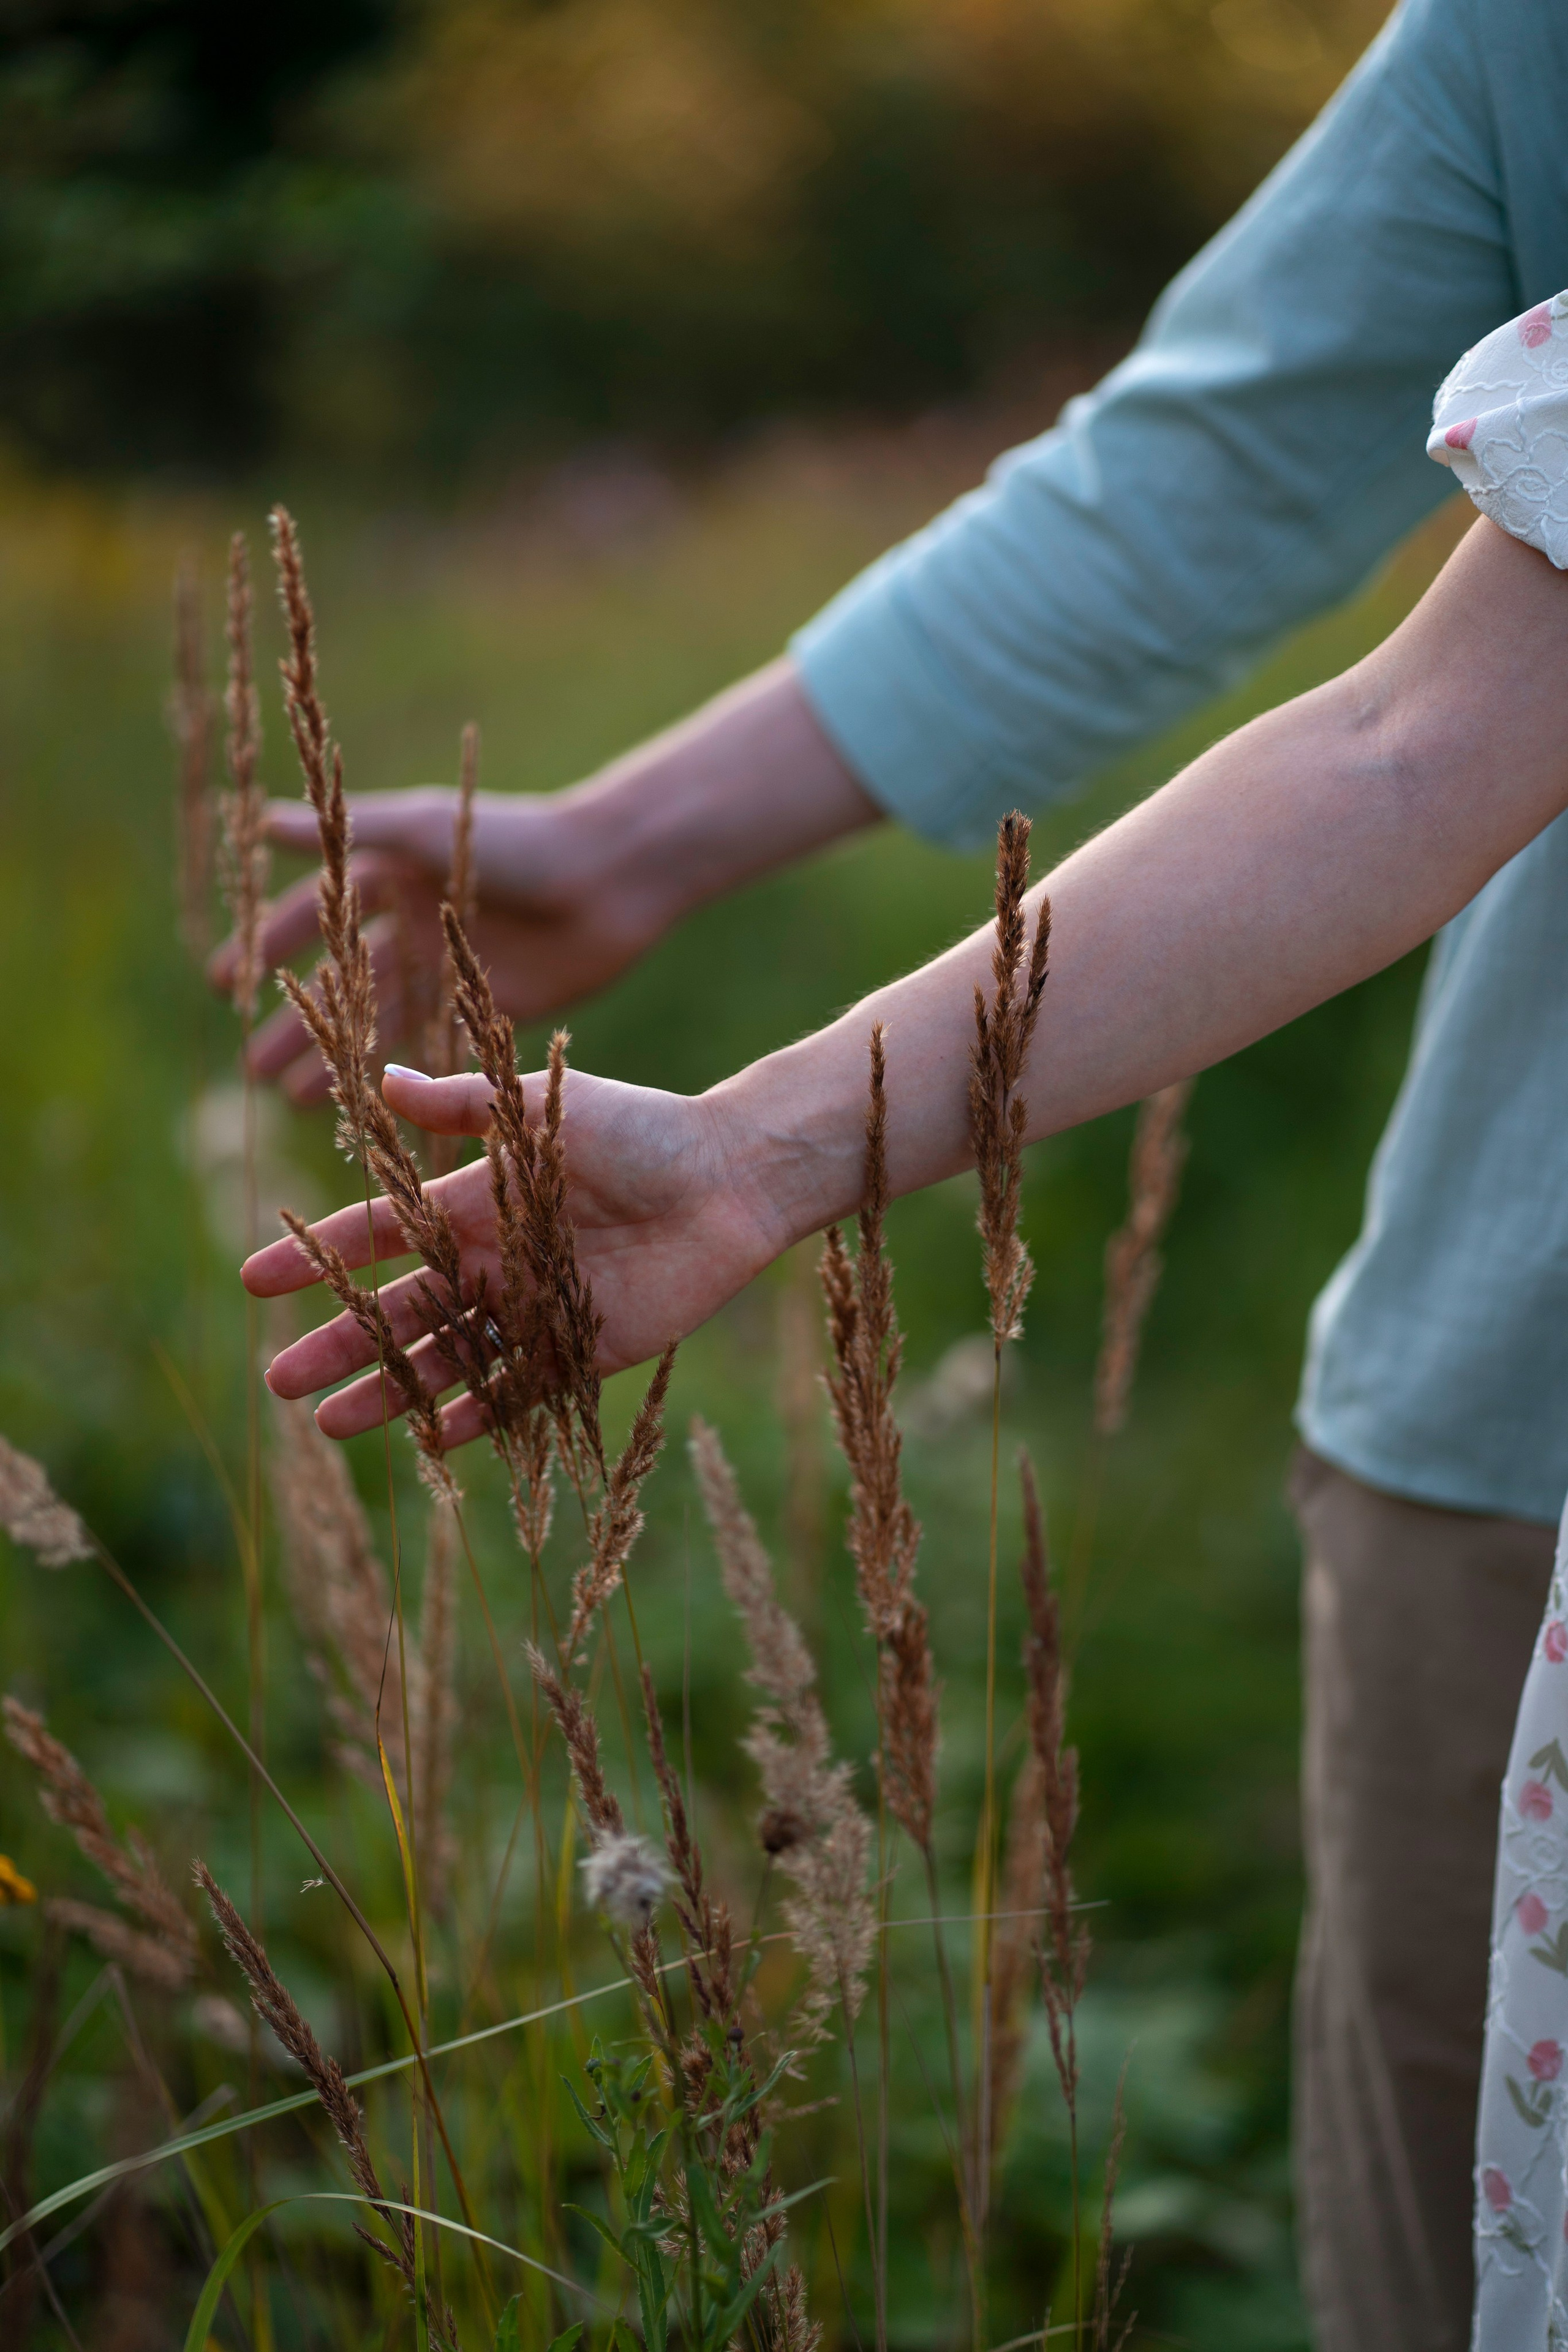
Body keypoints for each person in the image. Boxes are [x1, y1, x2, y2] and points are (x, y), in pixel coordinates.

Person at [222, 5, 1568, 2343]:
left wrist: (756, 1149)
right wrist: (646, 866)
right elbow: (1264, 526)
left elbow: (1415, 733)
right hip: (1522, 1377)